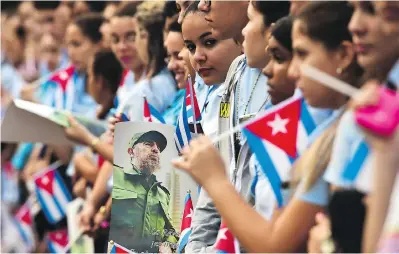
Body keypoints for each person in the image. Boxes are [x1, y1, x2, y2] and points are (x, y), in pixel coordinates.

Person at [174, 2, 362, 252]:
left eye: (299, 56)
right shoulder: (235, 76)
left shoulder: (336, 128)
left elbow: (275, 243)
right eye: (189, 47)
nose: (293, 72)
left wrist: (215, 180)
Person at [185, 2, 288, 252]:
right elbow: (222, 166)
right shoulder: (237, 72)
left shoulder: (287, 84)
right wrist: (197, 245)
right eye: (190, 47)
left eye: (209, 42)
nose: (202, 5)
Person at [109, 131, 177, 253]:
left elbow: (170, 230)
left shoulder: (163, 193)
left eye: (158, 147)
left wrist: (168, 244)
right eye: (148, 144)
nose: (156, 149)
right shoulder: (114, 174)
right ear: (131, 151)